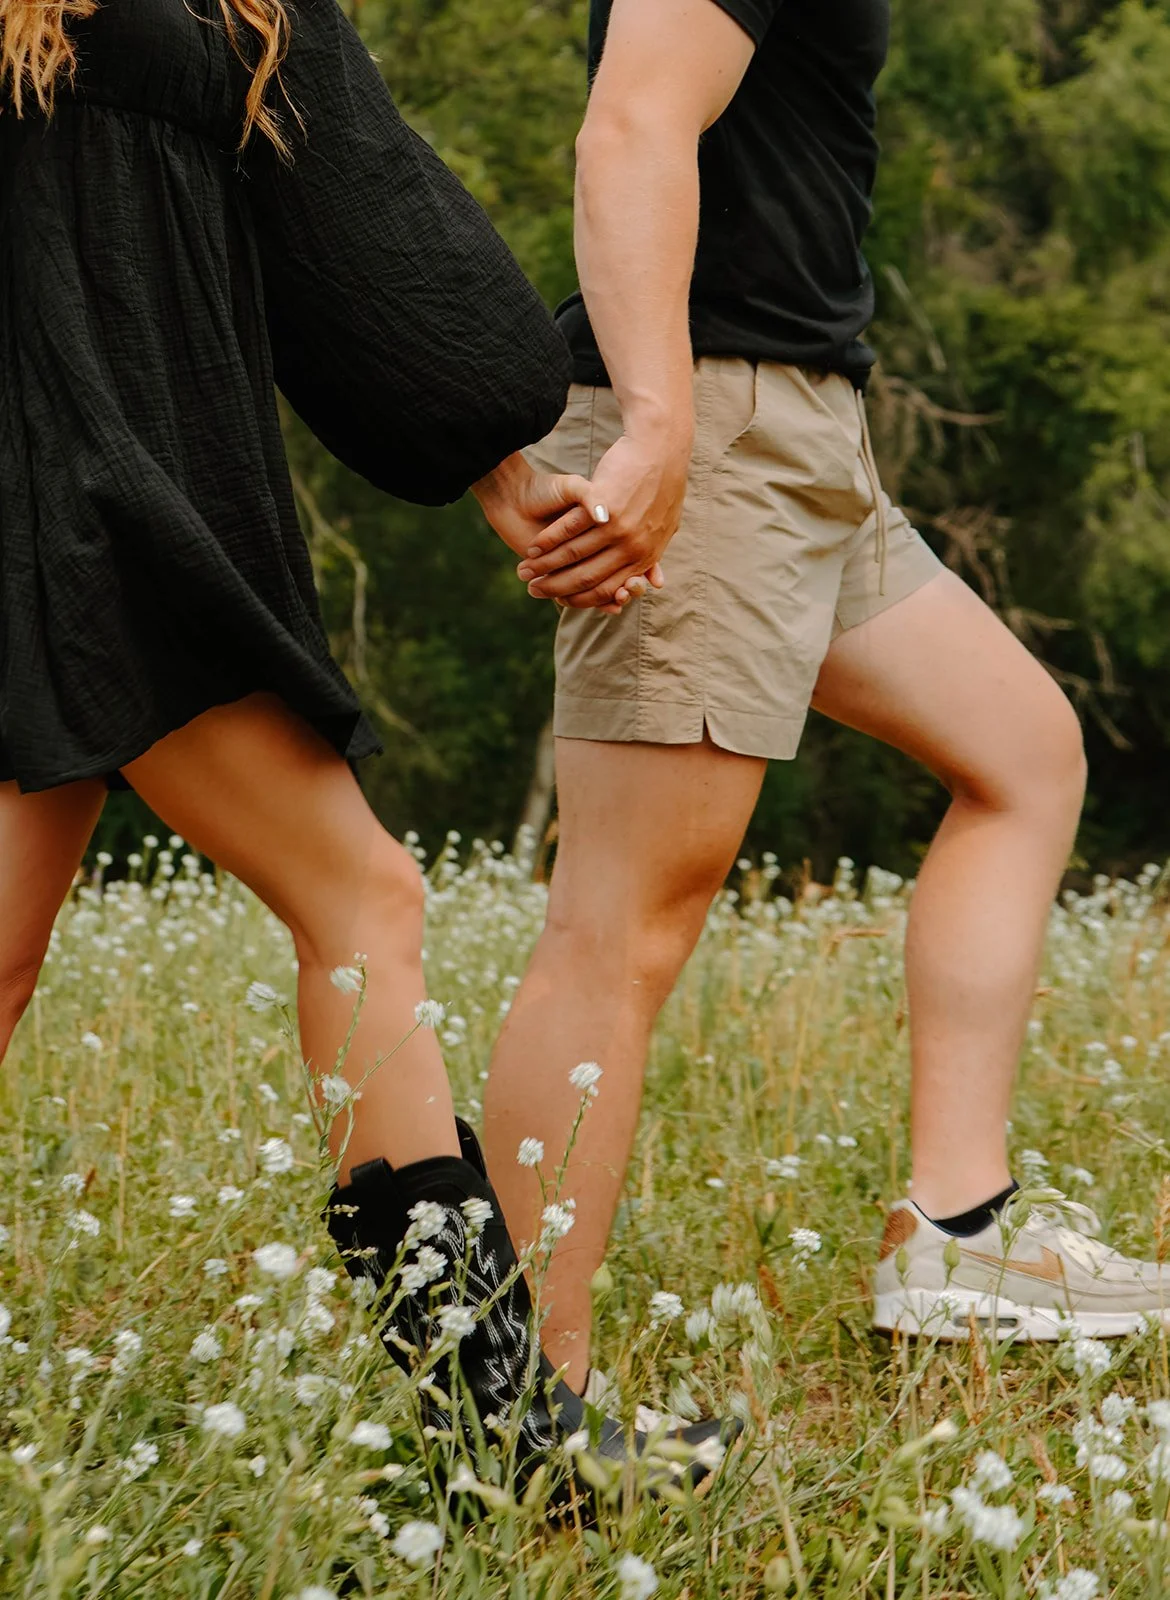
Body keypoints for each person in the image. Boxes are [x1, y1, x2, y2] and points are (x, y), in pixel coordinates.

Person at [0, 0, 726, 1482]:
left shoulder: (250, 10)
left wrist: (495, 459)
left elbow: (355, 223)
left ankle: (500, 1427)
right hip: (87, 496)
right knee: (360, 900)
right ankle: (501, 1430)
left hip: (117, 489)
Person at [482, 0, 1170, 1386]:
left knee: (1023, 755)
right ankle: (507, 1395)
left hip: (805, 434)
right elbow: (630, 126)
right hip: (718, 424)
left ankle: (955, 1236)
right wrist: (659, 423)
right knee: (622, 926)